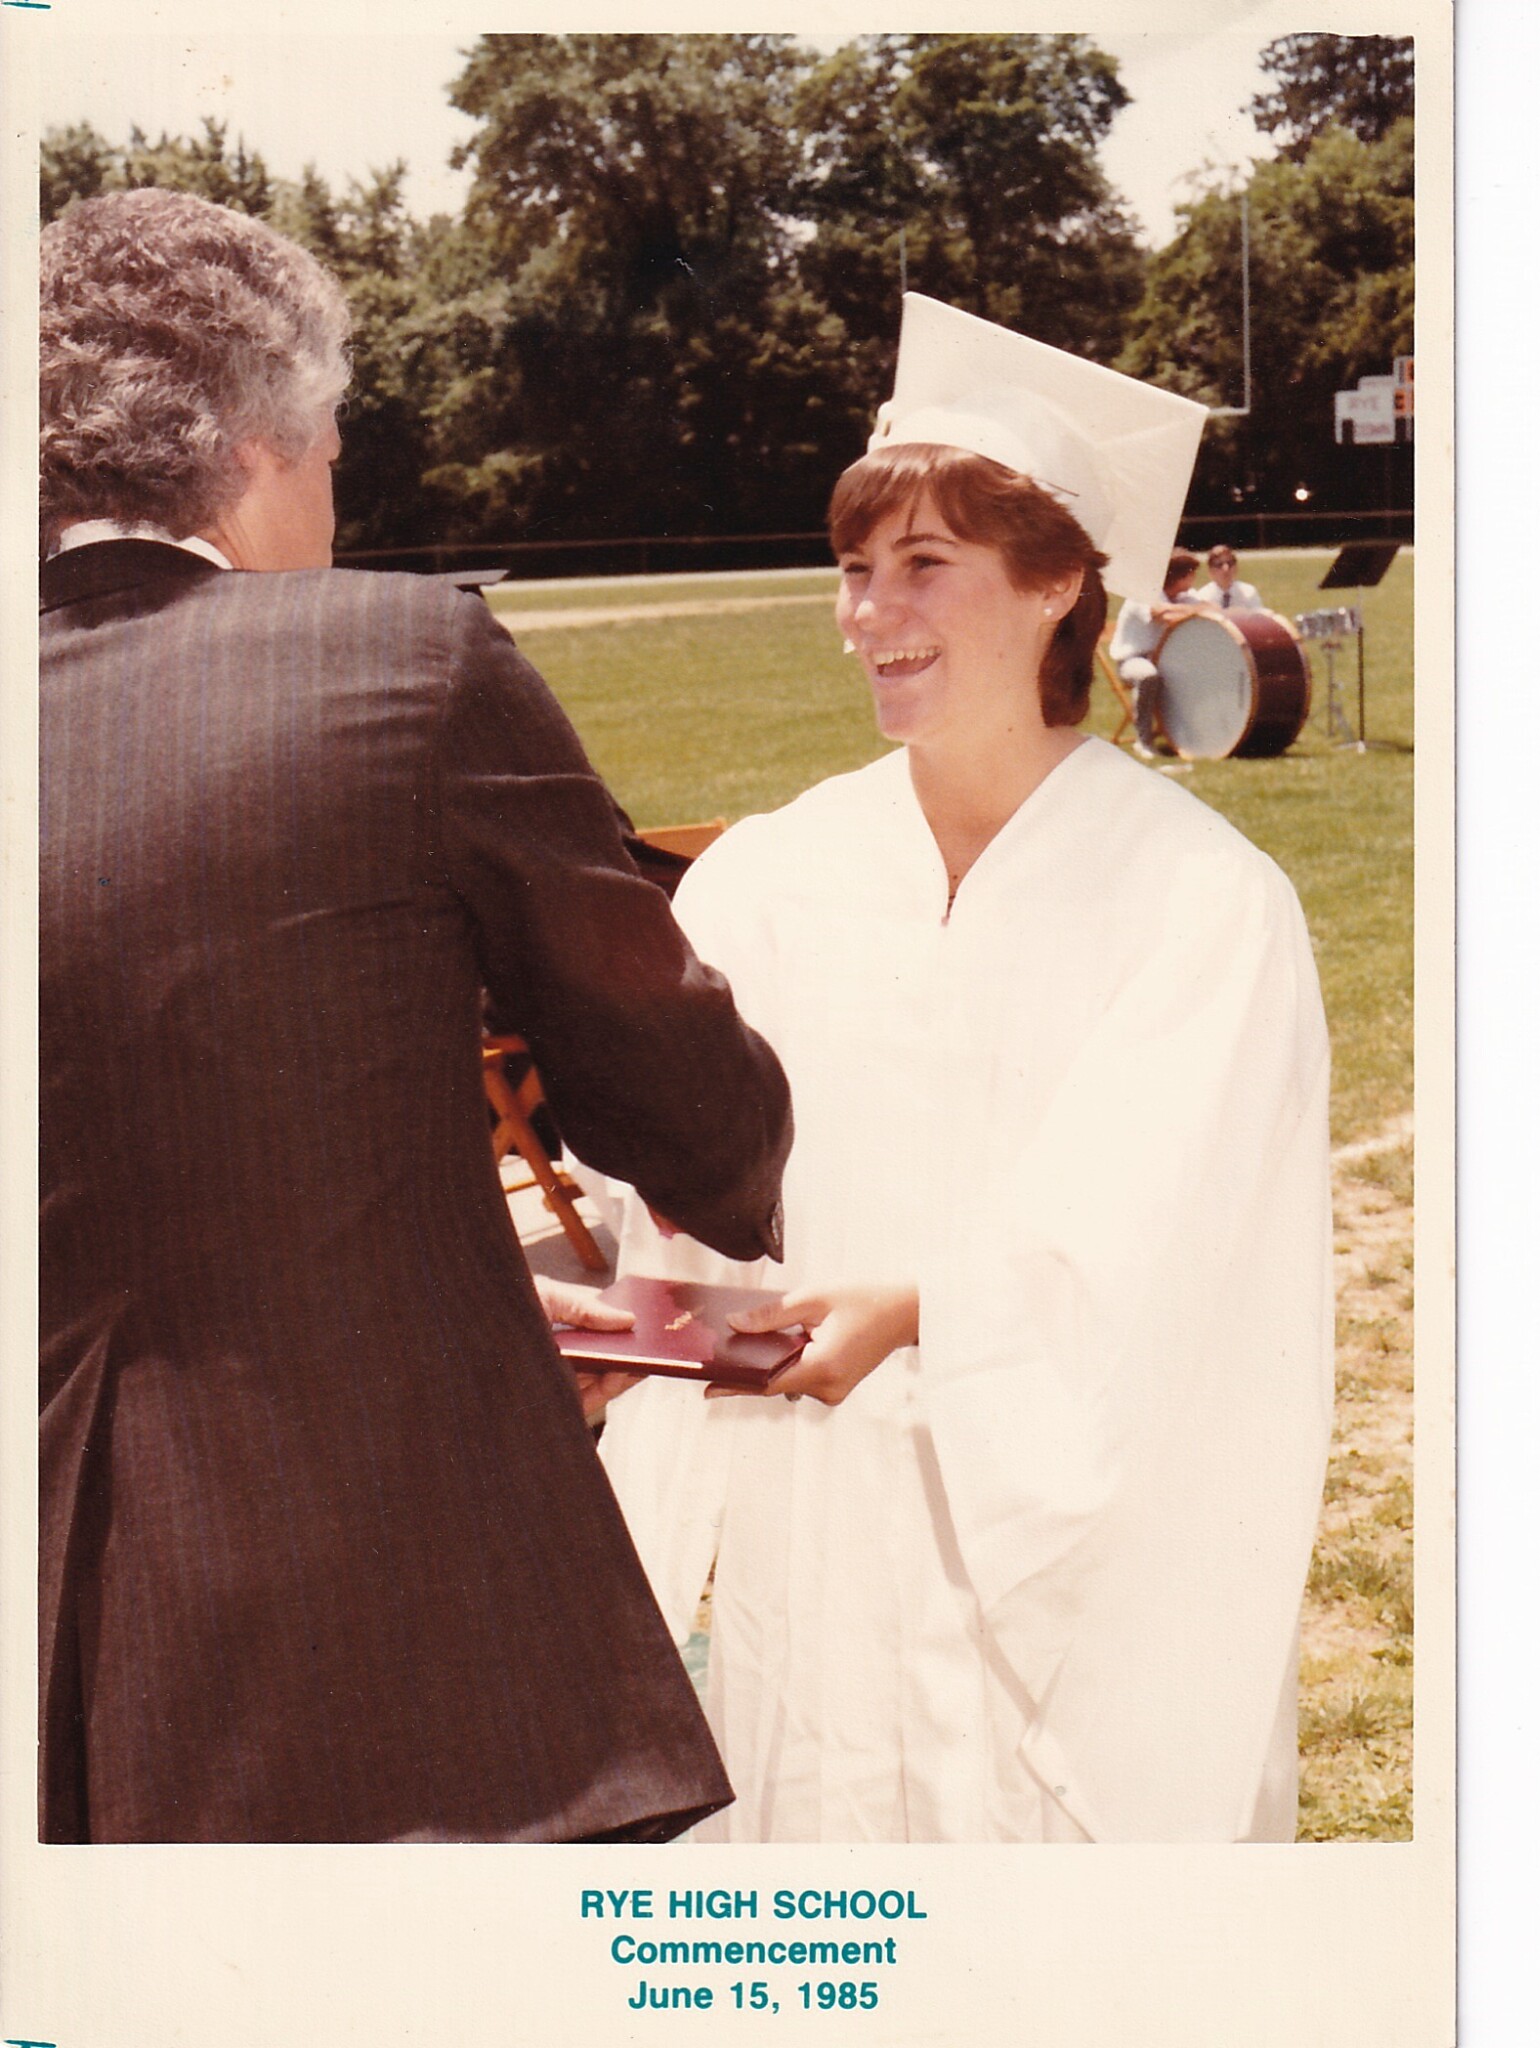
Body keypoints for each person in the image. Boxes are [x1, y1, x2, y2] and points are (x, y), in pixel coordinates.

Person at [38, 189, 793, 1843]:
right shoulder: (396, 661)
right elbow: (670, 1096)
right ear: (254, 441)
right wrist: (747, 1188)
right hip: (393, 1641)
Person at [599, 296, 1334, 1844]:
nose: (869, 613)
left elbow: (1167, 1241)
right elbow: (674, 1192)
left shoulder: (1200, 903)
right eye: (853, 571)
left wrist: (924, 1311)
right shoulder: (768, 875)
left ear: (1062, 579)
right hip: (812, 1521)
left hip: (1058, 1548)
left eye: (924, 565)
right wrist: (628, 1314)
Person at [1107, 546, 1203, 759]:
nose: (1194, 579)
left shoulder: (1181, 597)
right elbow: (1162, 615)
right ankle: (1144, 741)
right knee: (1147, 675)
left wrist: (1193, 609)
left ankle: (1194, 736)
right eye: (1191, 574)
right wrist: (1194, 611)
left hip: (1162, 660)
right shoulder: (1143, 593)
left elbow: (1210, 608)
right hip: (1132, 661)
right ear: (1181, 576)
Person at [1198, 544, 1263, 611]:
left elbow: (1259, 618)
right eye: (1219, 565)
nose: (1226, 569)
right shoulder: (1203, 597)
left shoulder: (1248, 593)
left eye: (1230, 563)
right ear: (1210, 571)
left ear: (1236, 567)